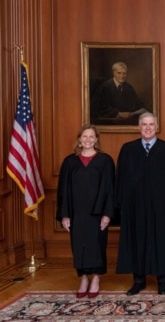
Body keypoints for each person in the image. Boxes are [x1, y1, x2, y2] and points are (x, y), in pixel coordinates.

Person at [114, 113, 165, 295]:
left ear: (157, 126)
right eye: (145, 125)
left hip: (160, 207)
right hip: (134, 207)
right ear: (139, 127)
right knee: (137, 241)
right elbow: (120, 179)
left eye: (151, 124)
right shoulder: (128, 150)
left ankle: (162, 280)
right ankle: (138, 280)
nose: (148, 128)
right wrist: (121, 204)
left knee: (161, 240)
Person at [56, 124, 114, 299]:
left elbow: (110, 189)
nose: (88, 139)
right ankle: (83, 278)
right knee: (78, 245)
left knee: (97, 246)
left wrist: (107, 214)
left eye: (91, 137)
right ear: (79, 140)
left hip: (97, 213)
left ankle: (96, 278)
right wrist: (65, 214)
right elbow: (63, 190)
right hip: (76, 213)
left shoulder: (105, 161)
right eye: (84, 136)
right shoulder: (70, 162)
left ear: (96, 140)